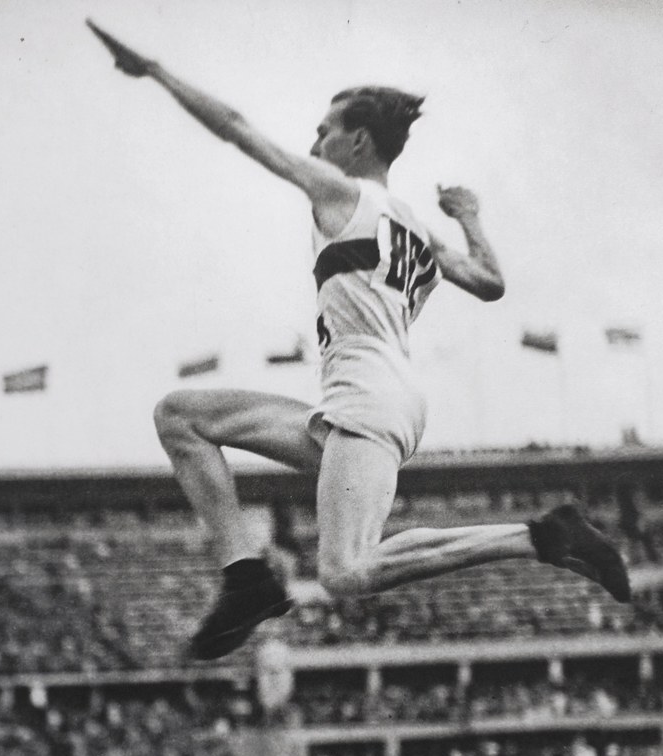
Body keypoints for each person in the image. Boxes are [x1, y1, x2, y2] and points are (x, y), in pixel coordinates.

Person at [88, 22, 631, 661]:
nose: (313, 141)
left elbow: (235, 126)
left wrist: (154, 69)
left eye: (324, 130)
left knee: (345, 573)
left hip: (368, 395)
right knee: (181, 417)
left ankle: (539, 537)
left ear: (357, 140)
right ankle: (245, 577)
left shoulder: (343, 193)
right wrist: (471, 216)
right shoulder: (420, 230)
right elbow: (489, 282)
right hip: (367, 396)